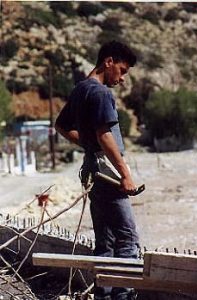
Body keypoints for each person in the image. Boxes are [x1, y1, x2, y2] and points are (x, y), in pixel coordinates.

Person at [55, 40, 140, 300]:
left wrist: (88, 145)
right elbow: (105, 135)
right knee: (127, 239)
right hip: (107, 173)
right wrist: (125, 173)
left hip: (92, 170)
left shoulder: (81, 89)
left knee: (105, 241)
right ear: (109, 62)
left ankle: (102, 296)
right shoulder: (101, 93)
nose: (123, 78)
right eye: (122, 70)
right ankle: (122, 297)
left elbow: (61, 125)